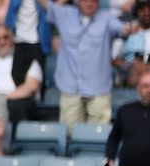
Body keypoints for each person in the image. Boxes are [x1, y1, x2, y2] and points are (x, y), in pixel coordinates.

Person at [47, 0, 133, 129]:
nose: (89, 3)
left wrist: (129, 29)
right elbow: (45, 4)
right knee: (69, 135)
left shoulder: (107, 17)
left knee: (98, 135)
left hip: (98, 88)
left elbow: (123, 30)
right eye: (85, 0)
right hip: (70, 87)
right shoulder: (65, 14)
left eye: (93, 0)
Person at [104, 71, 150, 166]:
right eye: (145, 86)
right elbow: (113, 138)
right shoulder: (126, 110)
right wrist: (108, 161)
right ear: (138, 88)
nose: (148, 90)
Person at [0, 25, 41, 125]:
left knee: (18, 106)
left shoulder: (27, 59)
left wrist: (4, 98)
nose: (2, 42)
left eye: (5, 37)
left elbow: (31, 86)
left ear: (12, 38)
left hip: (15, 99)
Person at [120, 0, 150, 87]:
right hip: (131, 82)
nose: (147, 12)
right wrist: (129, 67)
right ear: (136, 11)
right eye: (142, 9)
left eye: (149, 8)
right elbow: (114, 60)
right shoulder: (126, 32)